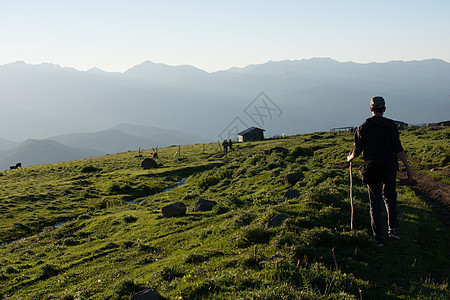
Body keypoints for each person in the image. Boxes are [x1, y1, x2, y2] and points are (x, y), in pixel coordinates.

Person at [347, 96, 413, 247]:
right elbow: (398, 148)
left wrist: (349, 158)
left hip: (372, 169)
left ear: (371, 109)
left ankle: (378, 239)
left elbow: (357, 151)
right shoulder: (391, 126)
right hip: (389, 167)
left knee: (375, 203)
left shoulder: (362, 127)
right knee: (390, 198)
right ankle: (393, 230)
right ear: (384, 109)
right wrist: (408, 168)